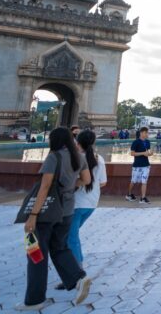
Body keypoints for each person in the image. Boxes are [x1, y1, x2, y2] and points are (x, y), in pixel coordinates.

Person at [18, 127, 92, 311]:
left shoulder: (54, 157)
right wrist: (69, 187)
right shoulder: (79, 157)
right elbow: (87, 180)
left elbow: (45, 187)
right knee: (60, 248)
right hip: (67, 210)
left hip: (47, 212)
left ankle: (34, 300)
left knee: (36, 253)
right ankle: (78, 277)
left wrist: (32, 215)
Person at [68, 130, 107, 267]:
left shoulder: (76, 158)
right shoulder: (99, 159)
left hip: (76, 204)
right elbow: (103, 182)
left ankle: (78, 270)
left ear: (77, 143)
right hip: (91, 203)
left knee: (70, 237)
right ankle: (77, 265)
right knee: (72, 235)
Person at [126, 127, 153, 204]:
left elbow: (148, 152)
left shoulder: (148, 142)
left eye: (147, 133)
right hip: (137, 165)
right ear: (141, 133)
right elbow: (132, 153)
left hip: (146, 165)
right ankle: (129, 194)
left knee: (144, 181)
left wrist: (150, 153)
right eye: (146, 132)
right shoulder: (136, 142)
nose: (147, 134)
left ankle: (143, 198)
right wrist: (143, 153)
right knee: (133, 181)